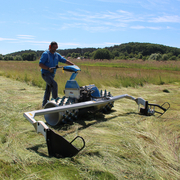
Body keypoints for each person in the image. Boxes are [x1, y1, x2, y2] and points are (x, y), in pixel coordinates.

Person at [39, 41, 75, 107]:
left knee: (48, 89)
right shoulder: (45, 54)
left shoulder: (56, 55)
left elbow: (65, 60)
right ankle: (56, 103)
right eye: (54, 47)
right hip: (45, 74)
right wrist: (48, 68)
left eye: (56, 47)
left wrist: (73, 65)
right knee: (54, 85)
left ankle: (44, 105)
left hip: (52, 74)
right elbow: (40, 64)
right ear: (50, 46)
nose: (55, 49)